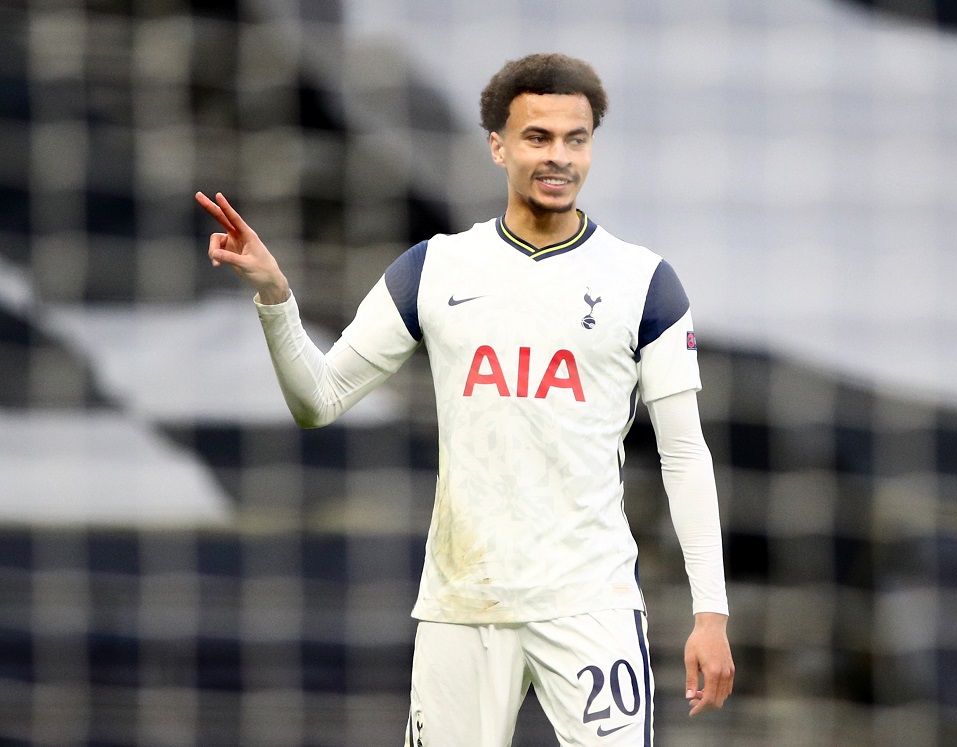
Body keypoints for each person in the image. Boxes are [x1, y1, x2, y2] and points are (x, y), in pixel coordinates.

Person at [197, 52, 733, 747]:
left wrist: (710, 612)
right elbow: (318, 399)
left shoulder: (644, 282)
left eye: (577, 138)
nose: (559, 157)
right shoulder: (434, 268)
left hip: (591, 606)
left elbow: (685, 452)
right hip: (462, 606)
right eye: (538, 137)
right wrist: (275, 297)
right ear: (498, 146)